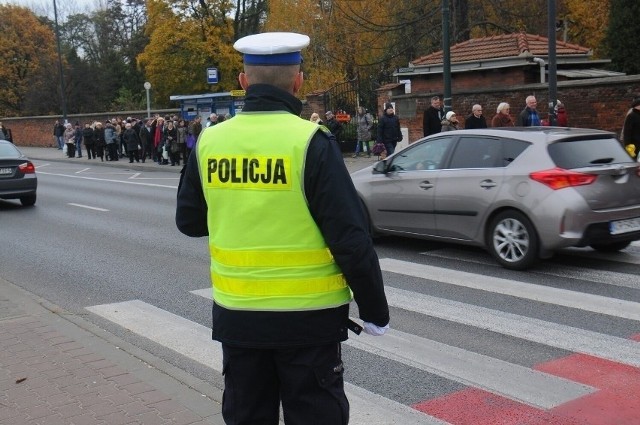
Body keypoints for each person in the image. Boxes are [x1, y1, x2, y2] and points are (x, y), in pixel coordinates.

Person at [175, 32, 389, 425]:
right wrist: (374, 310)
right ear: (298, 82)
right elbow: (350, 238)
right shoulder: (311, 142)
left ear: (243, 82)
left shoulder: (210, 141)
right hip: (308, 323)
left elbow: (188, 222)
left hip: (239, 318)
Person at [622, 96, 640, 160]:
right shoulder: (631, 116)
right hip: (635, 147)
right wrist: (630, 149)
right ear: (637, 106)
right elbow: (627, 134)